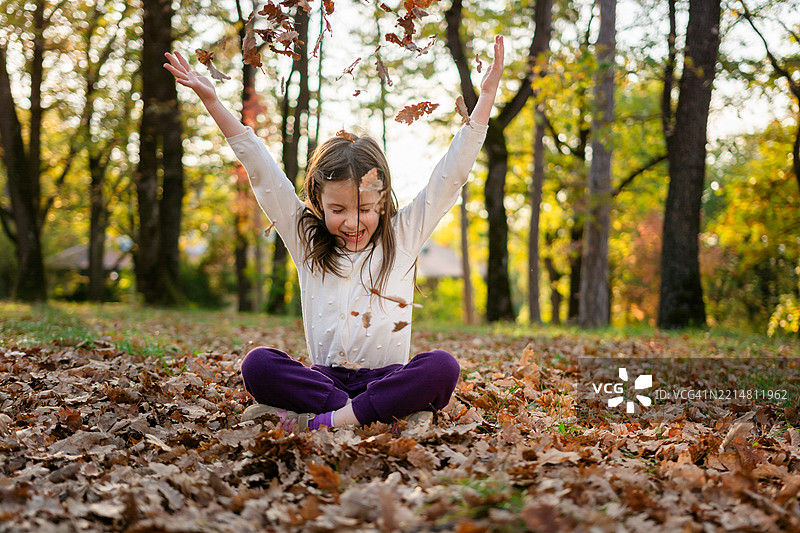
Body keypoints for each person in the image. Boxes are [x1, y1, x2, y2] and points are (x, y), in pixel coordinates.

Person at [163, 35, 504, 432]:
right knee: (258, 364)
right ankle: (371, 415)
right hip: (324, 383)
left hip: (384, 378)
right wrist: (213, 103)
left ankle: (323, 422)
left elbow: (451, 176)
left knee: (442, 367)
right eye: (338, 209)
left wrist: (485, 100)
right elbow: (261, 171)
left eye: (364, 209)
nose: (352, 222)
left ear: (381, 201)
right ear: (319, 202)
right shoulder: (308, 241)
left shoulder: (402, 236)